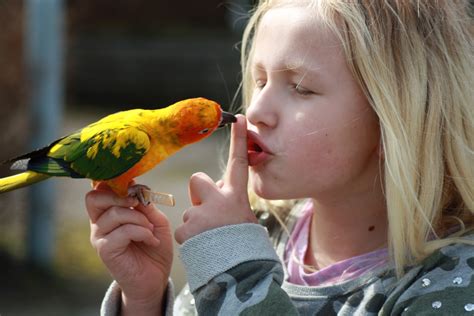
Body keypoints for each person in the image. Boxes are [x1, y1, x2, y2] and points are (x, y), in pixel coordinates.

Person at [85, 1, 474, 315]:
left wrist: (238, 271)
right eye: (259, 81)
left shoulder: (451, 285)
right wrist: (144, 301)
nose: (255, 111)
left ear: (399, 120)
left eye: (301, 88)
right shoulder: (263, 233)